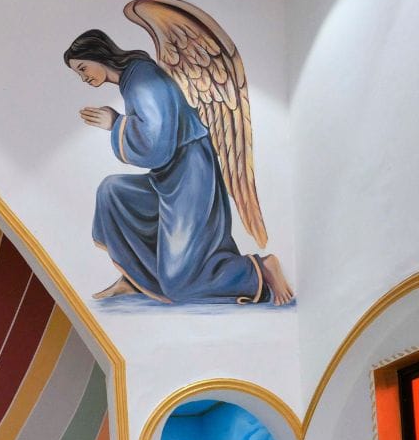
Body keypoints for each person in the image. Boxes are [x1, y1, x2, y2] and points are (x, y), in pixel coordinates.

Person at [64, 30, 293, 305]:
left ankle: (257, 269)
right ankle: (137, 278)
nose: (83, 77)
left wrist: (116, 124)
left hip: (191, 176)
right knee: (112, 192)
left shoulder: (142, 79)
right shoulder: (132, 80)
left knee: (180, 285)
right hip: (168, 177)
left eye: (82, 68)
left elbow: (157, 145)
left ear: (97, 55)